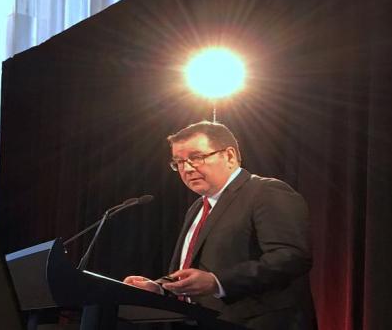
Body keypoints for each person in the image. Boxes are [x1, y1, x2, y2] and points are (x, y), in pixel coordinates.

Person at [124, 121, 316, 330]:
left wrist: (218, 282)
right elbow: (195, 272)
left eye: (196, 157)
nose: (187, 168)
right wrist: (160, 288)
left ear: (229, 156)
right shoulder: (197, 208)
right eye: (178, 162)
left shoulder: (266, 192)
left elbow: (290, 257)